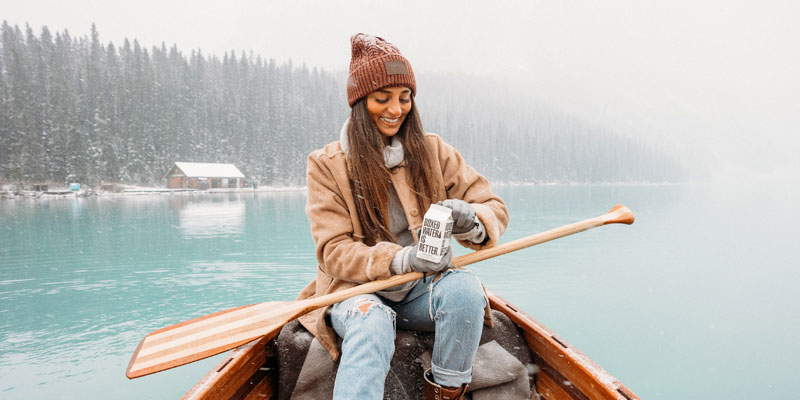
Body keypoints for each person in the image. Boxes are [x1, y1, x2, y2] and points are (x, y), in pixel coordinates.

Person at [296, 33, 509, 400]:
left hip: (419, 292)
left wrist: (472, 220)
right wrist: (401, 258)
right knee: (371, 320)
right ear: (360, 103)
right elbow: (333, 250)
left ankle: (445, 392)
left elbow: (493, 206)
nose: (395, 109)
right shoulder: (326, 165)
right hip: (356, 293)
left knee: (465, 291)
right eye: (382, 99)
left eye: (404, 97)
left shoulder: (433, 150)